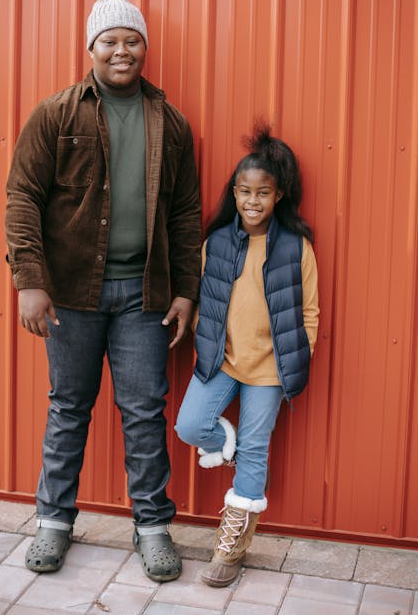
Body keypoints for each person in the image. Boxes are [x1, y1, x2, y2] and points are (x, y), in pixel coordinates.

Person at [5, 0, 201, 582]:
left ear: (145, 47)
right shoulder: (57, 114)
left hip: (145, 294)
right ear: (91, 47)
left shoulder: (170, 122)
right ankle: (54, 523)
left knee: (144, 411)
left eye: (132, 39)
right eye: (110, 40)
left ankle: (152, 527)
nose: (122, 50)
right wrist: (29, 282)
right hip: (70, 294)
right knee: (69, 407)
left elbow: (186, 213)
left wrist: (185, 290)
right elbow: (22, 199)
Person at [175, 123, 319, 587]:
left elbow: (309, 313)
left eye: (263, 193)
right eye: (244, 191)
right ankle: (230, 449)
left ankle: (230, 547)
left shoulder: (296, 248)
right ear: (233, 194)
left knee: (257, 449)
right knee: (190, 425)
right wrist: (203, 335)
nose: (252, 201)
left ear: (279, 196)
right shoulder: (216, 242)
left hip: (270, 371)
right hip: (222, 360)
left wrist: (297, 356)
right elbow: (201, 298)